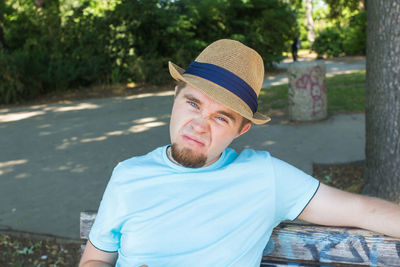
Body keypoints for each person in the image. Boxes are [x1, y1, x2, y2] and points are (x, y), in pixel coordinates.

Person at [80, 39, 400, 267]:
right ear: (175, 96)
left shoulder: (266, 177)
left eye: (222, 117)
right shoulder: (128, 175)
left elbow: (363, 210)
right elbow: (95, 258)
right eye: (193, 103)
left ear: (241, 130)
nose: (199, 125)